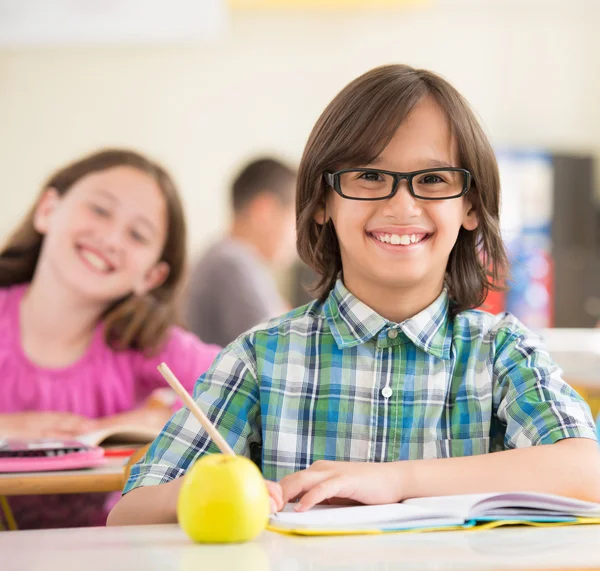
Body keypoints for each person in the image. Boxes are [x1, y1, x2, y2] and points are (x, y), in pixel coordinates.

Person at [108, 65, 600, 526]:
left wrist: (398, 481)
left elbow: (588, 471)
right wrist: (237, 490)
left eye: (432, 179)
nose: (402, 205)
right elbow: (128, 512)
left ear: (470, 206)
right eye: (369, 176)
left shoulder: (502, 353)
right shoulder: (262, 358)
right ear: (322, 202)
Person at [0, 149, 221, 528]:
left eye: (137, 234)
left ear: (151, 277)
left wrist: (158, 416)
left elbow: (250, 381)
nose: (111, 238)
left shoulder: (143, 343)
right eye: (100, 210)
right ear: (48, 209)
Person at [184, 157, 296, 347]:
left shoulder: (226, 257)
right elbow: (283, 353)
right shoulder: (232, 265)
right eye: (298, 219)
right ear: (265, 212)